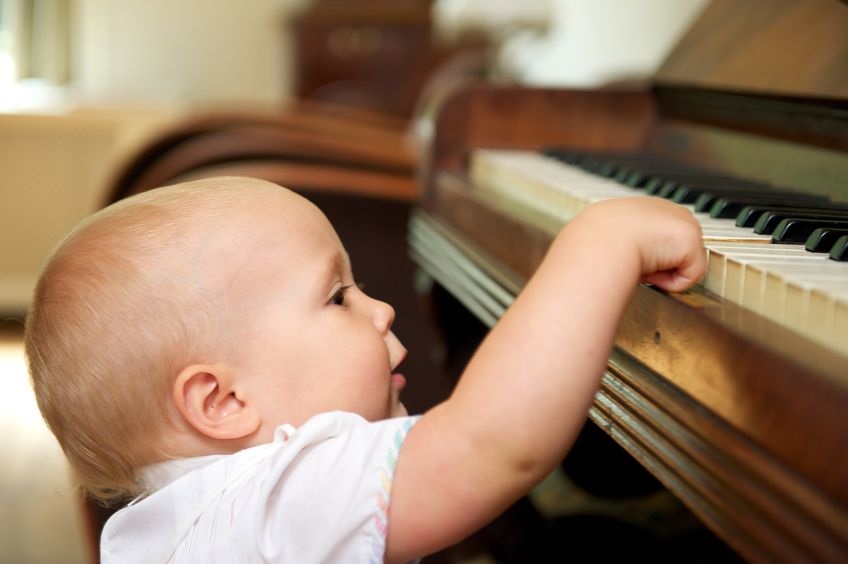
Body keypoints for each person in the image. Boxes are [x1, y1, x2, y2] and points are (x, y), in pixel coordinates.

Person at [25, 176, 705, 563]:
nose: (379, 310)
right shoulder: (278, 497)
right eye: (338, 296)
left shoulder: (179, 526)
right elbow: (493, 445)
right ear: (223, 400)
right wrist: (603, 242)